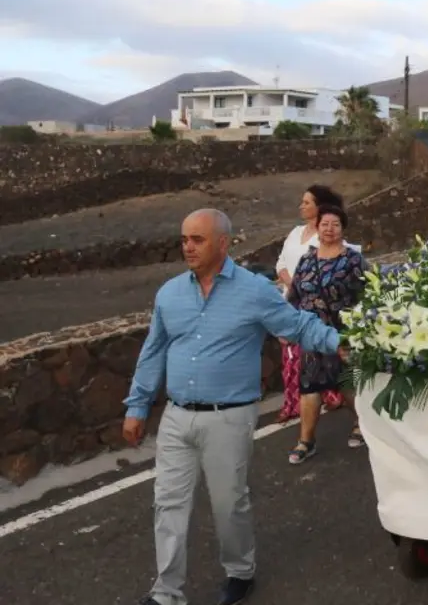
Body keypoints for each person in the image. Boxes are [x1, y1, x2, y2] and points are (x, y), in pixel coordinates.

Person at [123, 209, 345, 605]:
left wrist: (338, 342)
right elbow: (153, 350)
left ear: (223, 243)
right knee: (168, 504)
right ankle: (166, 592)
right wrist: (137, 405)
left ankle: (240, 571)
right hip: (176, 416)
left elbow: (297, 326)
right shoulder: (170, 293)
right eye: (185, 239)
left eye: (198, 239)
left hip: (229, 416)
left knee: (229, 503)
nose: (188, 247)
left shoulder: (254, 291)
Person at [284, 205, 368, 463]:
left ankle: (361, 423)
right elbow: (294, 295)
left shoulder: (353, 261)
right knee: (310, 386)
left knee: (347, 385)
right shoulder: (307, 260)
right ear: (317, 228)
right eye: (324, 224)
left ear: (343, 229)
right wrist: (287, 326)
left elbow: (371, 292)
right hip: (312, 333)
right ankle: (305, 441)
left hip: (343, 333)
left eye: (335, 224)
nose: (329, 229)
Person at [274, 184, 345, 422]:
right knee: (292, 357)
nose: (301, 206)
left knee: (313, 352)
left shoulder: (325, 233)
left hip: (314, 302)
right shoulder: (295, 232)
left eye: (307, 202)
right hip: (292, 297)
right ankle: (293, 403)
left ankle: (331, 393)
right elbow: (281, 262)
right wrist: (292, 282)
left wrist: (303, 284)